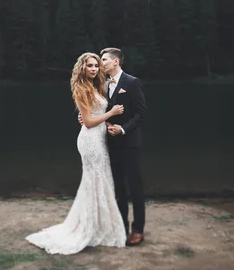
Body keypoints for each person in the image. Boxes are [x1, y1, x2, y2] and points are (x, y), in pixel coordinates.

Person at [25, 52, 127, 255]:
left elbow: (93, 116)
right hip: (89, 141)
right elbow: (88, 122)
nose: (94, 69)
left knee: (100, 180)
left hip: (99, 139)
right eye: (89, 66)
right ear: (82, 67)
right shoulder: (81, 89)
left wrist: (107, 122)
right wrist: (112, 113)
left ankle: (99, 225)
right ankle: (88, 228)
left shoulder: (96, 86)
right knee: (94, 181)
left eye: (96, 66)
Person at [81, 47, 148, 246]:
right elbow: (98, 110)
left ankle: (138, 230)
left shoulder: (132, 82)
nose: (101, 64)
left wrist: (123, 129)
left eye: (104, 60)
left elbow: (141, 114)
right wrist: (88, 118)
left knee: (135, 186)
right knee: (118, 186)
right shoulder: (101, 83)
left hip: (130, 142)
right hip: (109, 143)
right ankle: (121, 227)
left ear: (115, 61)